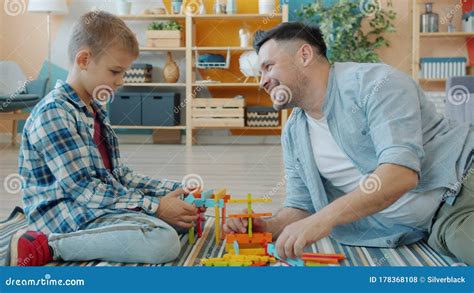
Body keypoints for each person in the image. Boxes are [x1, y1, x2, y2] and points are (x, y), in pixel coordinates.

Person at [225, 22, 473, 265]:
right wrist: (269, 226)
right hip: (436, 224)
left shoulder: (376, 84)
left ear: (304, 55)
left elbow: (401, 174)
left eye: (268, 67)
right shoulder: (293, 132)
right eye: (261, 73)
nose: (262, 81)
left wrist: (324, 219)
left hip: (463, 183)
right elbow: (302, 205)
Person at [8, 11, 200, 266]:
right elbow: (85, 190)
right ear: (84, 59)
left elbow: (119, 176)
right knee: (162, 240)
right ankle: (48, 245)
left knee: (181, 221)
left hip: (93, 207)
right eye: (115, 71)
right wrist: (156, 206)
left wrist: (174, 190)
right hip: (64, 215)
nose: (120, 81)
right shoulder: (54, 113)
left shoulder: (95, 110)